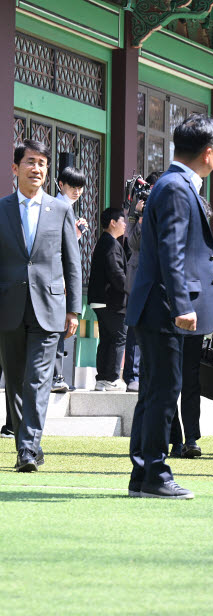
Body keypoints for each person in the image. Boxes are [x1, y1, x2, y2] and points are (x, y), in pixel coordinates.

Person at [125, 114, 213, 498]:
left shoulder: (171, 184)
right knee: (164, 392)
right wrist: (183, 303)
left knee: (154, 391)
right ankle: (155, 474)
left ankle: (142, 473)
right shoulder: (178, 187)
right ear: (209, 153)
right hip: (166, 307)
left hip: (157, 304)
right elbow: (171, 249)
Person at [0, 140, 82, 472]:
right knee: (15, 382)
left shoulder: (60, 209)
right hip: (9, 308)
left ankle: (28, 449)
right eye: (31, 162)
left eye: (43, 164)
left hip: (49, 308)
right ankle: (27, 446)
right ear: (15, 167)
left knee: (37, 379)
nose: (37, 168)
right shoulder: (2, 209)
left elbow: (72, 262)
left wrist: (74, 309)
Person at [123, 170, 163, 393]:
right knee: (136, 328)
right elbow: (134, 243)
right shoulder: (137, 210)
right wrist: (137, 214)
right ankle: (133, 375)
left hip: (160, 278)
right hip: (139, 276)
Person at [51, 166, 88, 394]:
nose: (77, 191)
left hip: (59, 281)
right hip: (54, 281)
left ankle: (57, 375)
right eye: (72, 186)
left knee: (58, 329)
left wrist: (74, 236)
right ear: (60, 184)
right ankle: (55, 376)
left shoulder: (66, 208)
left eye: (80, 187)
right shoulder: (60, 207)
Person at [89, 207, 129, 391]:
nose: (125, 224)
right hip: (111, 301)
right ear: (113, 222)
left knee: (106, 339)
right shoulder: (112, 244)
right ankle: (112, 378)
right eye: (123, 220)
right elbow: (116, 274)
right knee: (118, 338)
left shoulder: (104, 242)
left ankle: (102, 379)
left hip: (101, 300)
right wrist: (131, 290)